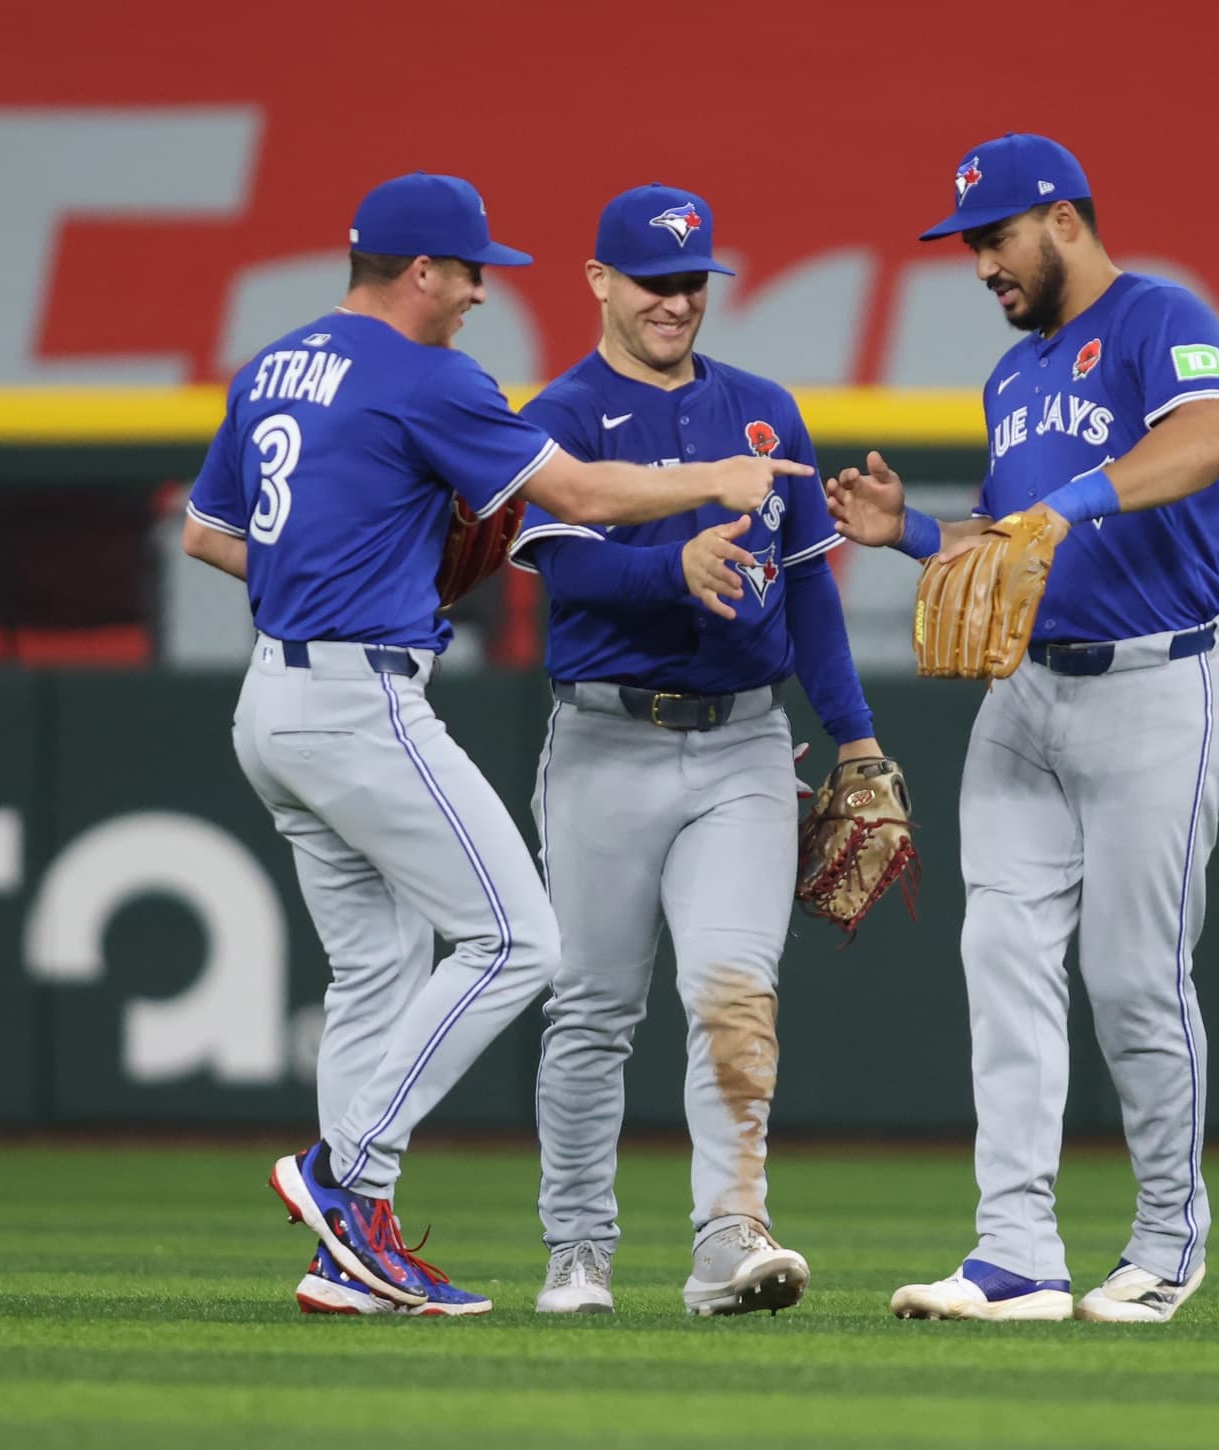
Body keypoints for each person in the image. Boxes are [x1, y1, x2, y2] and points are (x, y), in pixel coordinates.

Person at [179, 171, 807, 1317]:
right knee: (519, 941)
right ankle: (342, 1173)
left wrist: (351, 561)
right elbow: (574, 493)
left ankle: (348, 1260)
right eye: (470, 270)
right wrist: (712, 479)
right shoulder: (425, 373)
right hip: (356, 694)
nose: (479, 290)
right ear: (419, 271)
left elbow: (209, 534)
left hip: (270, 695)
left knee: (373, 971)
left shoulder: (275, 364)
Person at [825, 134, 1219, 1323]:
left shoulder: (1153, 317)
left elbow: (1215, 435)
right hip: (1029, 698)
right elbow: (1002, 545)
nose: (977, 264)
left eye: (993, 236)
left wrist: (1069, 502)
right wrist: (910, 534)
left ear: (1062, 218)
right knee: (1002, 961)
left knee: (1132, 979)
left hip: (1159, 686)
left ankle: (1168, 1241)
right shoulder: (1013, 379)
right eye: (967, 243)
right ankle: (1013, 1249)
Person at [509, 184, 883, 1317]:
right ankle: (576, 1245)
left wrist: (854, 735)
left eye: (690, 282)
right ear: (598, 282)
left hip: (743, 747)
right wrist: (666, 568)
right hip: (603, 740)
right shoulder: (560, 413)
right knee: (591, 1006)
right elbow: (561, 572)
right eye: (651, 281)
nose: (674, 301)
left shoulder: (764, 410)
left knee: (735, 994)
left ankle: (728, 1234)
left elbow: (811, 589)